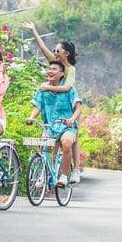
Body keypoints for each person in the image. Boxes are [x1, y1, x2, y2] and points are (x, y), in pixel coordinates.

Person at [24, 21, 83, 183]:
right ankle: (49, 172)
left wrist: (46, 87)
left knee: (71, 141)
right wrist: (34, 31)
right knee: (51, 144)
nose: (54, 53)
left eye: (58, 51)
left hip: (68, 108)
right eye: (55, 50)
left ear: (66, 54)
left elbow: (66, 89)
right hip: (53, 111)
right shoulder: (55, 64)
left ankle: (76, 169)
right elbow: (43, 48)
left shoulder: (70, 69)